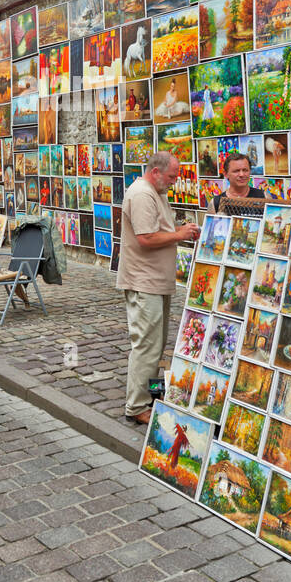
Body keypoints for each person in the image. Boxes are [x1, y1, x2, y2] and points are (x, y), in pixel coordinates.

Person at [116, 151, 201, 425]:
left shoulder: (156, 191)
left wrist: (179, 228)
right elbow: (147, 237)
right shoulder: (142, 194)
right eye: (172, 176)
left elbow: (159, 227)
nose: (174, 181)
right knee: (147, 346)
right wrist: (179, 234)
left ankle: (152, 394)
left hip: (155, 281)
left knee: (157, 344)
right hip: (144, 282)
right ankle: (137, 406)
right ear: (155, 172)